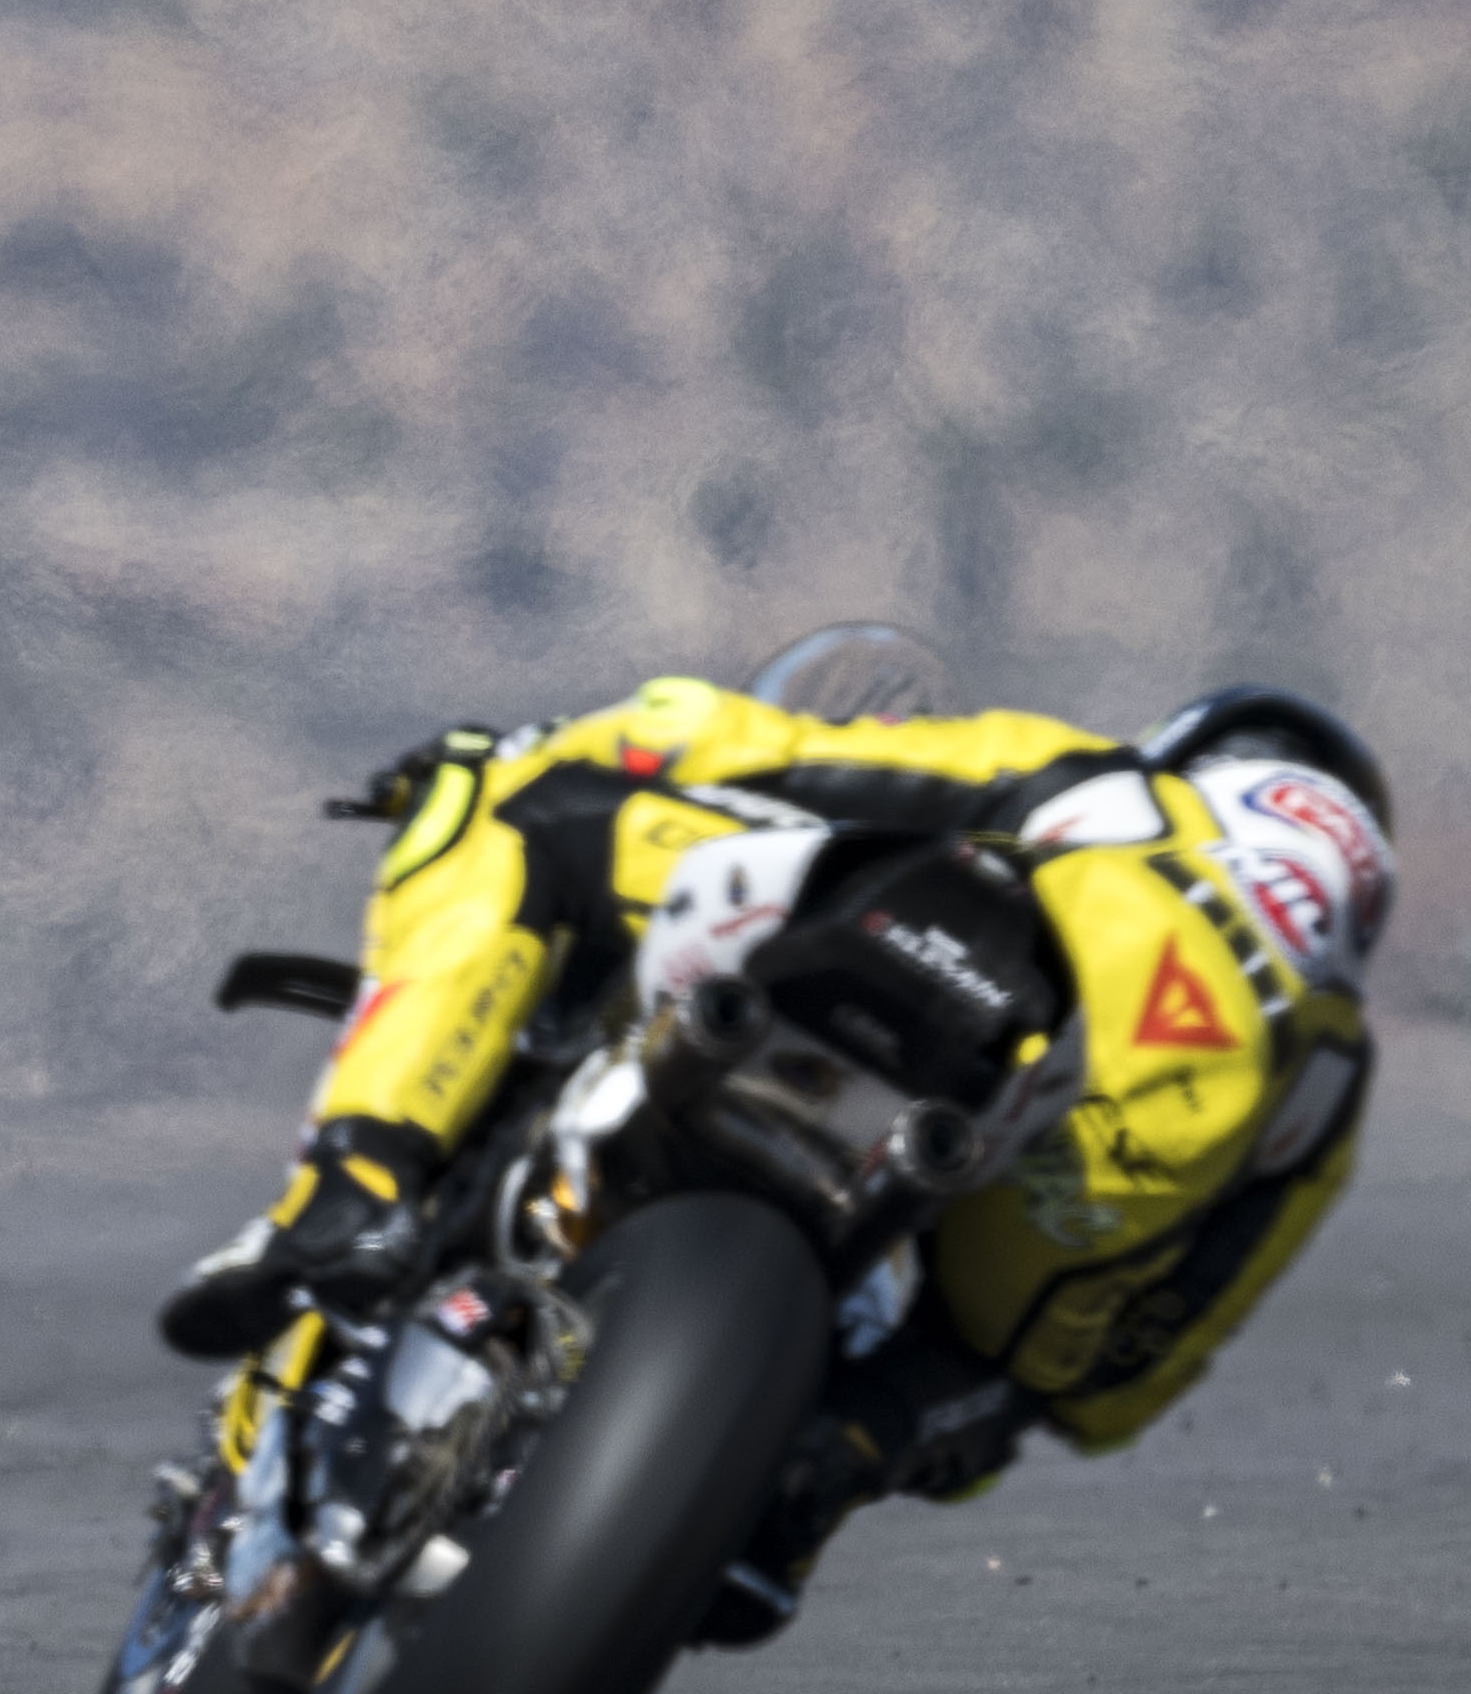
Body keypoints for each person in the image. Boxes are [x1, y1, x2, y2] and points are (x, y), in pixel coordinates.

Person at [159, 662, 1389, 1608]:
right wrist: (910, 1430)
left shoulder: (1121, 791)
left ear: (1200, 760)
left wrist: (546, 746)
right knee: (1014, 1368)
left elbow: (758, 746)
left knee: (518, 811)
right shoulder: (1329, 1066)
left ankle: (356, 1182)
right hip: (1107, 1146)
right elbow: (1137, 1373)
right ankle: (812, 1474)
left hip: (903, 966)